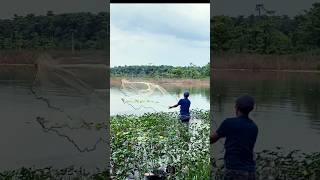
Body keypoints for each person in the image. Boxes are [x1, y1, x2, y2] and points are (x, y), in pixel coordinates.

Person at [210, 95, 258, 180]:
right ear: (251, 109)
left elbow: (212, 139)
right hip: (251, 172)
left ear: (236, 107)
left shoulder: (229, 123)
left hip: (234, 170)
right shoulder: (254, 127)